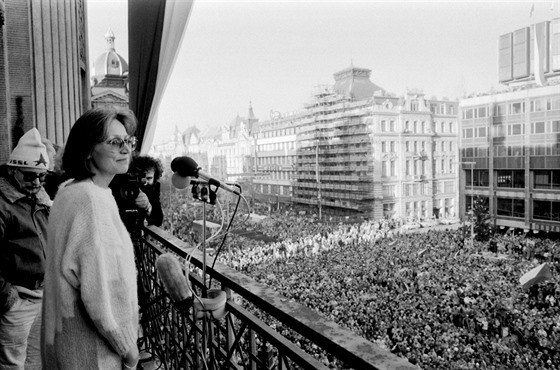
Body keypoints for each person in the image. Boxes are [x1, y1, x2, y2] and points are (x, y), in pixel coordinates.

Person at [41, 107, 140, 369]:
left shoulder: (69, 191)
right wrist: (129, 349)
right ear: (87, 150)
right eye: (114, 142)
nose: (126, 149)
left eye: (128, 141)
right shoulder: (91, 201)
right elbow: (103, 288)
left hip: (67, 348)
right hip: (92, 355)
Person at [0, 128, 51, 369]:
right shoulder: (3, 204)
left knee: (35, 361)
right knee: (13, 365)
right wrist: (7, 296)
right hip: (17, 299)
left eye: (42, 177)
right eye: (30, 176)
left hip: (43, 296)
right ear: (13, 171)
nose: (37, 183)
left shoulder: (40, 197)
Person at [110, 155, 164, 236]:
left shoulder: (154, 188)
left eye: (149, 178)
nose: (144, 182)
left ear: (155, 178)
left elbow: (158, 220)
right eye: (140, 177)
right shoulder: (119, 185)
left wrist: (148, 206)